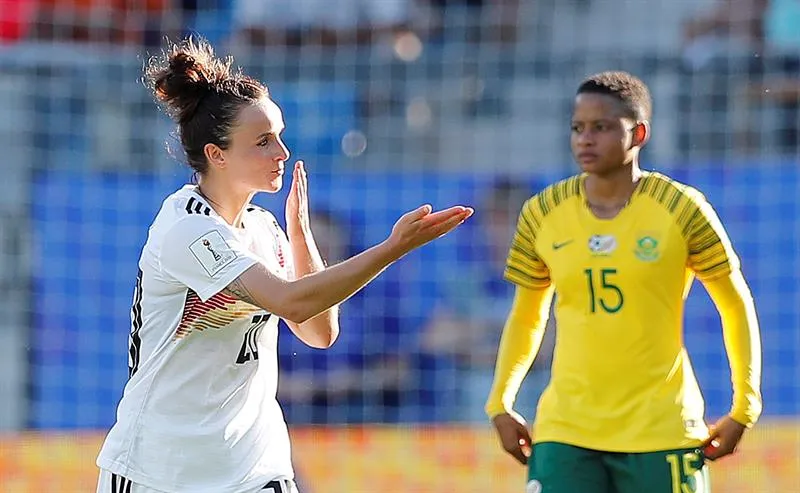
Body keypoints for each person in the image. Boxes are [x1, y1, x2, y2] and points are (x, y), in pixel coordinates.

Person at [94, 37, 472, 493]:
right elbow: (290, 302)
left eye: (279, 136)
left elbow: (319, 331)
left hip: (254, 470)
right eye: (263, 141)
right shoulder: (186, 228)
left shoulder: (262, 227)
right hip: (160, 472)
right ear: (217, 155)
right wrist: (392, 248)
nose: (282, 152)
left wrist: (301, 235)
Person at [485, 71, 762, 493]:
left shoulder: (682, 208)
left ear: (640, 133)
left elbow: (735, 303)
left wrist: (745, 404)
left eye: (601, 127)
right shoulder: (543, 212)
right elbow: (527, 315)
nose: (585, 139)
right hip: (567, 432)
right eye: (577, 128)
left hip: (661, 430)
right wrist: (501, 402)